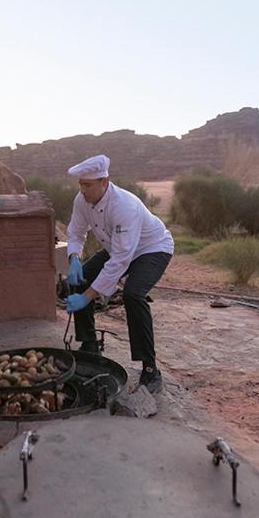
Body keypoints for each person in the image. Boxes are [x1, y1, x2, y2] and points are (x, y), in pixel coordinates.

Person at [65, 155, 174, 394]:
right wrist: (74, 258)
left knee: (134, 295)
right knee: (79, 277)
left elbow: (120, 261)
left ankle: (150, 370)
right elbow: (75, 232)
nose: (83, 190)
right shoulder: (81, 201)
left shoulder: (125, 206)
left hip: (152, 248)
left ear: (104, 182)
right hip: (119, 247)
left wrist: (87, 297)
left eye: (88, 185)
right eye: (80, 184)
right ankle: (90, 343)